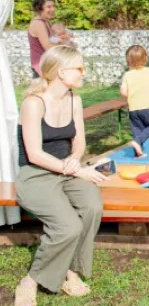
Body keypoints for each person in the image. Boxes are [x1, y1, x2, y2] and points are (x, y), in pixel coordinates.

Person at [14, 46, 106, 306]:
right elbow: (34, 154)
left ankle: (71, 271)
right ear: (61, 71)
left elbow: (79, 142)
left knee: (92, 206)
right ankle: (31, 281)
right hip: (36, 174)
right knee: (68, 226)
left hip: (67, 170)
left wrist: (75, 159)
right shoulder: (33, 103)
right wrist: (75, 168)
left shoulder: (74, 99)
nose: (83, 72)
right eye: (79, 68)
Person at [27, 0, 58, 78]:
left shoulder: (46, 22)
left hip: (48, 67)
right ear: (39, 8)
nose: (52, 9)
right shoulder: (38, 24)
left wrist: (61, 39)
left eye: (53, 6)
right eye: (48, 7)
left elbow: (52, 39)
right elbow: (48, 46)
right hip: (41, 69)